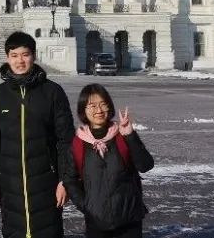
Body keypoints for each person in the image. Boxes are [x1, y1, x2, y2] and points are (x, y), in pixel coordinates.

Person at [0, 31, 75, 238]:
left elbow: (66, 139)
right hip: (10, 185)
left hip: (46, 182)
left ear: (33, 55)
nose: (19, 61)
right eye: (14, 55)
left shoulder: (52, 92)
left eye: (25, 54)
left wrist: (65, 180)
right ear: (7, 57)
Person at [66, 84, 154, 238]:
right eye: (92, 106)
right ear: (83, 111)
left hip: (129, 220)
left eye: (103, 104)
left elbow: (146, 165)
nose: (99, 110)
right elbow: (70, 179)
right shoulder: (78, 143)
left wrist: (130, 135)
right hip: (97, 222)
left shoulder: (121, 135)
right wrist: (86, 206)